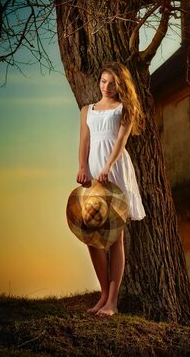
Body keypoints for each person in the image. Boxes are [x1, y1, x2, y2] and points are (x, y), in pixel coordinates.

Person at [76, 62, 146, 316]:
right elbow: (84, 141)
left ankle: (112, 302)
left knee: (115, 236)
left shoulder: (124, 108)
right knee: (91, 235)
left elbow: (120, 141)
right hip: (93, 174)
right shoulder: (87, 110)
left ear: (120, 85)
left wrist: (108, 166)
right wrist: (83, 167)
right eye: (103, 81)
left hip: (114, 171)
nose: (107, 87)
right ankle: (103, 293)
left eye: (112, 83)